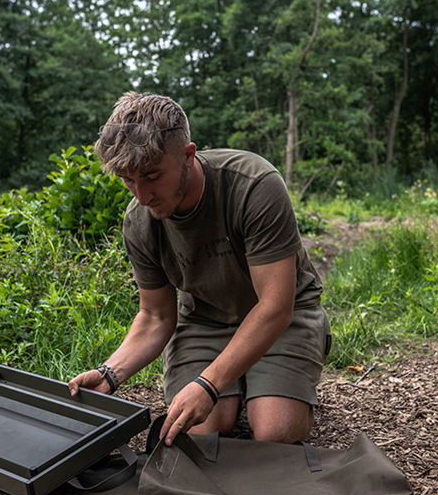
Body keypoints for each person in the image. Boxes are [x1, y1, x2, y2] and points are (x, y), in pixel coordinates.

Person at [68, 92, 330, 447]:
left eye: (152, 176)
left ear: (188, 156)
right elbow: (155, 316)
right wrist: (110, 374)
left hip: (285, 317)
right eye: (128, 180)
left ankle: (266, 384)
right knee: (196, 434)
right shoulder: (139, 221)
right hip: (205, 320)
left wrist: (207, 385)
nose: (142, 196)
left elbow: (275, 307)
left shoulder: (254, 186)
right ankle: (237, 387)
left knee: (274, 435)